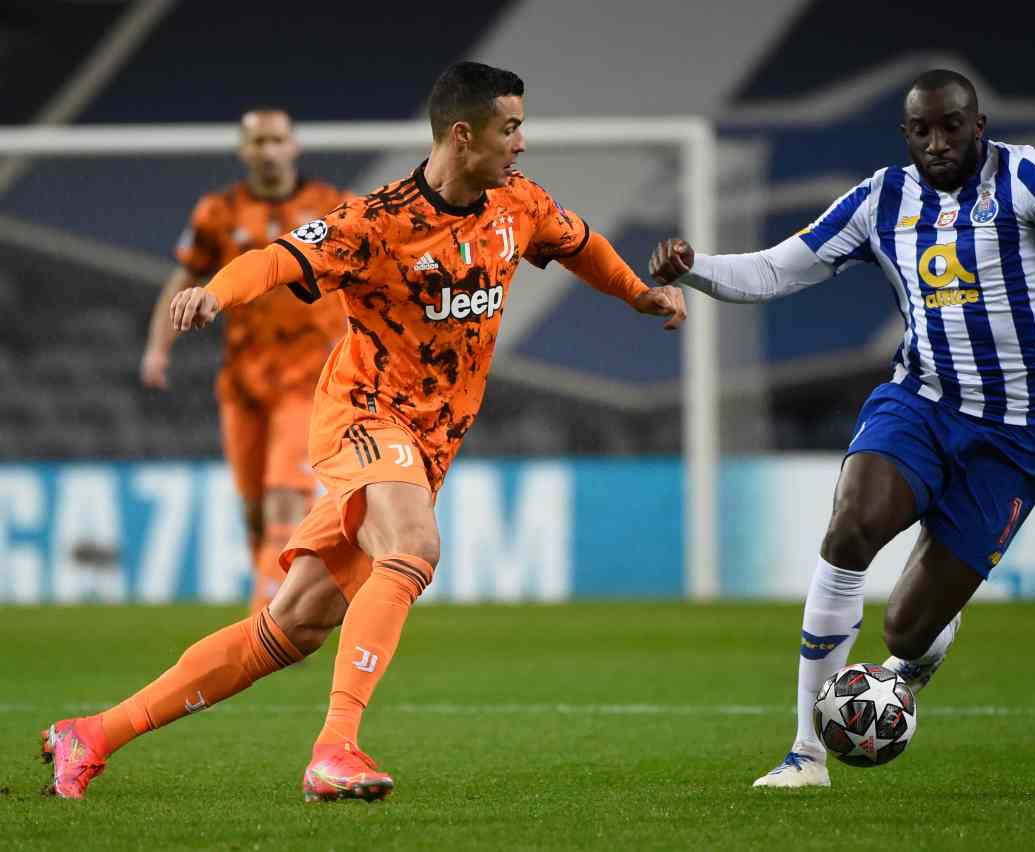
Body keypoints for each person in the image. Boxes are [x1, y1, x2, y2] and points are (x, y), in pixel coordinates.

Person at [43, 61, 686, 802]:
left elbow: (582, 246)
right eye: (510, 128)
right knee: (412, 547)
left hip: (431, 442)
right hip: (365, 415)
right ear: (463, 134)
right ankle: (334, 749)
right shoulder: (376, 222)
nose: (522, 143)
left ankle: (91, 734)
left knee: (290, 629)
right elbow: (278, 258)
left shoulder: (519, 203)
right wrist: (213, 295)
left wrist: (640, 295)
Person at [649, 68, 1035, 789]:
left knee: (904, 631)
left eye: (952, 126)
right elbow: (777, 271)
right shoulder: (881, 198)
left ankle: (923, 644)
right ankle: (806, 753)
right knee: (850, 529)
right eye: (923, 129)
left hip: (1015, 435)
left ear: (978, 125)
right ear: (906, 134)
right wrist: (696, 267)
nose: (938, 141)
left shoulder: (1030, 178)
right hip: (920, 401)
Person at [141, 108, 348, 614]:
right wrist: (158, 347)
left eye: (277, 140)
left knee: (285, 496)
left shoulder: (330, 207)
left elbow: (360, 277)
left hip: (309, 375)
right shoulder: (218, 212)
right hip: (242, 379)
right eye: (258, 142)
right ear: (244, 151)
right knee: (255, 509)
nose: (269, 151)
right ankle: (277, 603)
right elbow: (184, 277)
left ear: (294, 146)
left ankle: (269, 618)